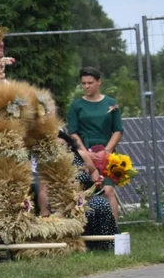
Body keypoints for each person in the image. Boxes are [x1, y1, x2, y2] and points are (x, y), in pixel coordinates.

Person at [67, 67, 124, 219]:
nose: (86, 86)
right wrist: (86, 154)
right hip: (83, 150)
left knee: (108, 190)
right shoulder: (76, 105)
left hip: (106, 151)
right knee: (85, 192)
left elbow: (118, 130)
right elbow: (73, 132)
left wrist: (106, 152)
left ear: (99, 82)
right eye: (83, 83)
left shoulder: (111, 103)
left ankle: (113, 233)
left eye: (90, 83)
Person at [50, 130, 117, 248]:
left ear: (68, 144)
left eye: (62, 145)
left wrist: (96, 181)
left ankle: (108, 244)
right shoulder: (51, 162)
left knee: (101, 203)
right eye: (56, 146)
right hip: (64, 202)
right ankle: (86, 245)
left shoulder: (81, 155)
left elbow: (93, 170)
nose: (60, 148)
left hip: (87, 197)